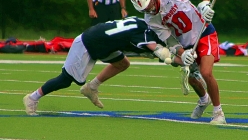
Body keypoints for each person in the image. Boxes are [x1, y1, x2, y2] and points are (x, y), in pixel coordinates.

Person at [22, 17, 202, 115]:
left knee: (122, 63)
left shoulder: (145, 25)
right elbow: (165, 56)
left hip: (104, 43)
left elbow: (167, 51)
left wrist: (184, 57)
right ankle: (33, 97)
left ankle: (91, 87)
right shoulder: (148, 39)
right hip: (88, 43)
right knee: (66, 80)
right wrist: (184, 60)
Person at [129, 0, 226, 124]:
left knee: (206, 72)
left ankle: (218, 113)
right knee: (193, 79)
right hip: (186, 44)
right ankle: (203, 100)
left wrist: (205, 4)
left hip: (204, 32)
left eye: (150, 4)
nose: (151, 9)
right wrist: (183, 53)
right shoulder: (150, 18)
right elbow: (169, 40)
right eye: (146, 9)